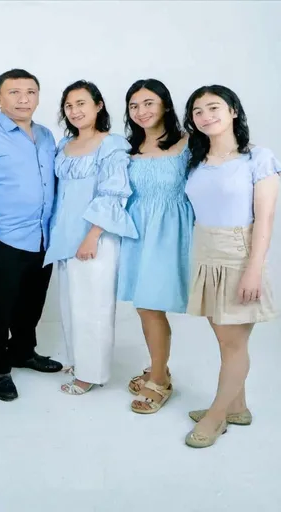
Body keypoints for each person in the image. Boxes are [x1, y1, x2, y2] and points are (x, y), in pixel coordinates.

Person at [183, 85, 279, 448]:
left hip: (239, 254)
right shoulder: (197, 160)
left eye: (214, 107)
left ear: (233, 111)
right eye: (197, 111)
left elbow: (266, 219)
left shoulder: (258, 158)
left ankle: (216, 415)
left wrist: (254, 269)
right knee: (224, 340)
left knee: (234, 342)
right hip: (205, 252)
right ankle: (237, 406)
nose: (205, 116)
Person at [0, 68, 62, 402]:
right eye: (15, 92)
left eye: (31, 92)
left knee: (33, 301)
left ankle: (23, 351)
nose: (24, 99)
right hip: (2, 237)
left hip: (42, 236)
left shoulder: (47, 135)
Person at [44, 80, 137, 394]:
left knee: (93, 306)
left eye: (81, 103)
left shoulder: (111, 145)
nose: (74, 110)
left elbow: (114, 192)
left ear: (98, 105)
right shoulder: (63, 146)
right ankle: (79, 360)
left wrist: (93, 235)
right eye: (69, 105)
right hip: (65, 235)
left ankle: (91, 374)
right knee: (71, 303)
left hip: (94, 237)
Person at [117, 79, 194, 414]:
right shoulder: (128, 151)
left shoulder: (189, 143)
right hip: (137, 233)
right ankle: (158, 368)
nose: (141, 111)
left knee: (152, 305)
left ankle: (159, 379)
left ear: (165, 104)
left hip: (171, 232)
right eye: (134, 106)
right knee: (145, 306)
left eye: (149, 103)